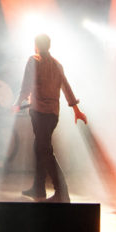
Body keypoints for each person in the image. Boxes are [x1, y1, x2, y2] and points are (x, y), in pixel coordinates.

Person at [13, 34, 87, 202]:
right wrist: (76, 110)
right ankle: (38, 189)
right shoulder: (57, 64)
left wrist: (17, 103)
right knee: (39, 147)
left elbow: (26, 86)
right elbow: (66, 87)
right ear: (49, 46)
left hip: (39, 113)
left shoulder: (34, 60)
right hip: (53, 115)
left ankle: (62, 191)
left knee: (44, 150)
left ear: (36, 46)